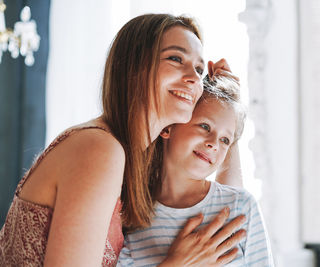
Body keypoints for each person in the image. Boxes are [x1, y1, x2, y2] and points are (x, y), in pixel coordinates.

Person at [0, 14, 246, 266]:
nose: (194, 79)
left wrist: (229, 112)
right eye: (175, 58)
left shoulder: (134, 159)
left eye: (199, 69)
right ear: (134, 67)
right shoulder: (100, 149)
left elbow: (226, 211)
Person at [118, 76, 274, 266]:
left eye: (225, 140)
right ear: (168, 127)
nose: (214, 144)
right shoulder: (130, 213)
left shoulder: (241, 206)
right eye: (205, 126)